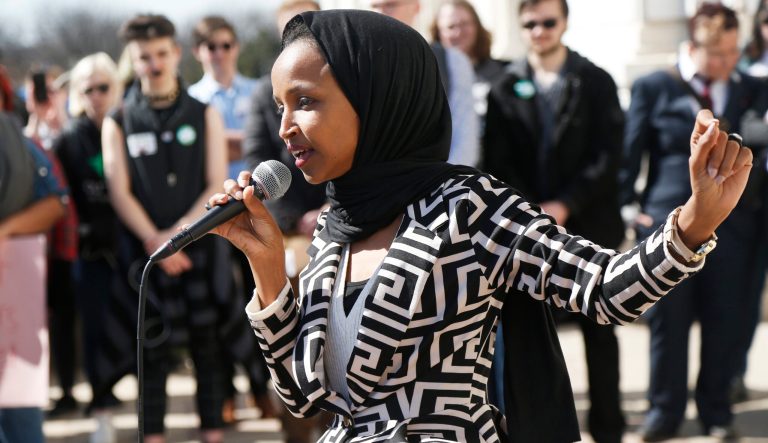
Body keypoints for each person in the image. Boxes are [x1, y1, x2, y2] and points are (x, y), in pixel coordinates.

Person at [207, 10, 751, 442]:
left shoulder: (467, 206)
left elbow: (604, 289)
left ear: (376, 98)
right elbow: (305, 398)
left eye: (305, 102)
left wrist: (692, 225)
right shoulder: (333, 227)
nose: (284, 129)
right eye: (280, 106)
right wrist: (269, 273)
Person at [621, 3, 767, 440]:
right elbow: (631, 152)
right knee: (669, 323)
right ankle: (663, 413)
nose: (723, 62)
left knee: (726, 319)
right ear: (692, 46)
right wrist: (627, 206)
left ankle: (716, 413)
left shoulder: (754, 90)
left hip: (735, 227)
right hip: (669, 224)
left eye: (730, 52)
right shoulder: (654, 86)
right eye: (714, 53)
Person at [483, 1, 626, 442]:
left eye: (548, 22)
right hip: (527, 232)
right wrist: (533, 210)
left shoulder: (595, 81)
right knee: (531, 336)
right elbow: (497, 161)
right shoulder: (504, 87)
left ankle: (608, 428)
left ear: (564, 23)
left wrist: (565, 203)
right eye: (529, 24)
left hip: (590, 222)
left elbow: (609, 156)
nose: (539, 31)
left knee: (600, 332)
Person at [101, 14, 229, 443]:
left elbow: (215, 182)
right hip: (148, 254)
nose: (154, 64)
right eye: (143, 57)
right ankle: (152, 436)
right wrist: (157, 242)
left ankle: (212, 432)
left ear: (175, 53)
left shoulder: (203, 112)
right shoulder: (118, 120)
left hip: (198, 247)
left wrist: (180, 236)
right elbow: (119, 191)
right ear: (132, 60)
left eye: (160, 54)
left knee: (208, 346)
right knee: (150, 351)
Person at [187, 14, 278, 424]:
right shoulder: (192, 98)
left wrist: (221, 139)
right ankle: (225, 392)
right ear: (198, 52)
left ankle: (261, 388)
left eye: (226, 45)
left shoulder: (259, 90)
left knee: (261, 300)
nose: (219, 54)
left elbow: (267, 142)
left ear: (236, 47)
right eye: (211, 47)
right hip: (215, 213)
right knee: (220, 308)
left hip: (256, 210)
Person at [52, 52, 125, 443]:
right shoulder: (68, 139)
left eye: (103, 87)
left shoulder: (127, 127)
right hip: (89, 253)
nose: (96, 95)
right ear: (78, 94)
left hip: (130, 246)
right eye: (88, 89)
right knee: (94, 331)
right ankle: (100, 409)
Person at [0, 101, 67, 443]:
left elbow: (58, 201)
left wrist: (5, 231)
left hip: (12, 287)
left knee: (21, 420)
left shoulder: (11, 137)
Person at [370, 0, 480, 167]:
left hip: (439, 183)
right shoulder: (359, 62)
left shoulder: (452, 62)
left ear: (416, 7)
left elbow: (465, 140)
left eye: (390, 5)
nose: (380, 13)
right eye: (374, 6)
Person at [430, 0, 507, 122]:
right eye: (451, 27)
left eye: (464, 24)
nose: (458, 32)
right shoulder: (431, 77)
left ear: (477, 27)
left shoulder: (502, 72)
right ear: (438, 33)